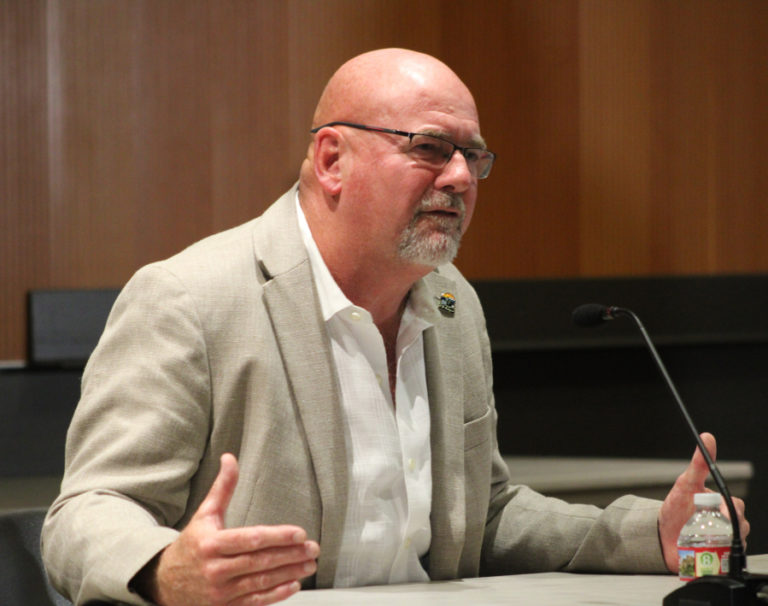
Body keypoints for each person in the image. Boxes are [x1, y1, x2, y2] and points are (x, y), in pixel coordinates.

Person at [42, 48, 749, 606]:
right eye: (430, 148)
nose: (461, 179)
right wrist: (167, 571)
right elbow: (86, 514)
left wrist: (644, 533)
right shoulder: (191, 299)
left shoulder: (451, 303)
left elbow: (486, 516)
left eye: (472, 156)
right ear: (331, 161)